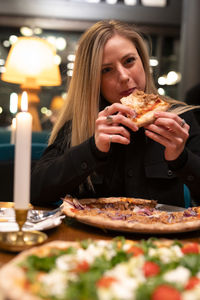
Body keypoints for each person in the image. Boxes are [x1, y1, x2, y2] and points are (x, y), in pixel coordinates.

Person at [31, 20, 200, 208]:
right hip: (90, 236)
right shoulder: (80, 124)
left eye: (129, 61)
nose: (124, 76)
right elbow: (36, 192)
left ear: (142, 61)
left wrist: (181, 158)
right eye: (107, 70)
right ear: (93, 80)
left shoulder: (180, 119)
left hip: (159, 236)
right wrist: (92, 149)